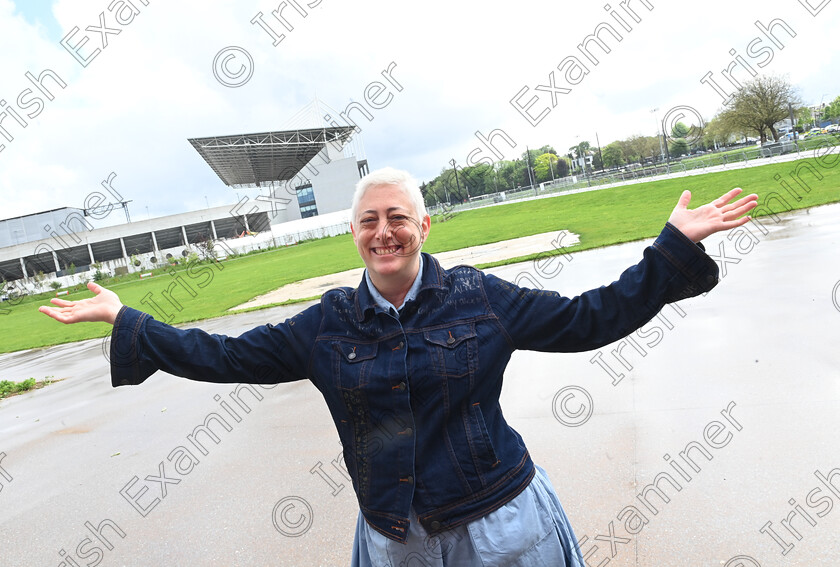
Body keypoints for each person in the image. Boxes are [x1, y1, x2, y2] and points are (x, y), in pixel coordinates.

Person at [40, 167, 758, 566]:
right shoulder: (325, 324)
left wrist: (669, 250)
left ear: (423, 225)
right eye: (368, 220)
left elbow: (589, 317)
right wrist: (124, 320)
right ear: (353, 233)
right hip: (398, 540)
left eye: (397, 216)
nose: (383, 231)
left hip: (506, 527)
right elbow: (224, 355)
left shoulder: (481, 297)